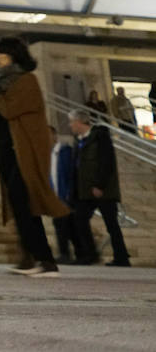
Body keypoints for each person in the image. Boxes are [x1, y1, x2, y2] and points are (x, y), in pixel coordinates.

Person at [0, 36, 70, 277]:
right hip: (8, 152)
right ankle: (31, 258)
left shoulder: (25, 81)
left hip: (27, 151)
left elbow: (10, 110)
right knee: (20, 204)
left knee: (23, 201)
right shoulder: (0, 83)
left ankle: (45, 260)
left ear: (11, 54)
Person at [68, 108, 131, 267]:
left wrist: (99, 185)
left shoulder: (100, 137)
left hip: (103, 191)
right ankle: (90, 254)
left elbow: (106, 162)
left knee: (111, 224)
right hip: (85, 191)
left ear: (80, 122)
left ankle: (121, 257)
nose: (70, 126)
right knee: (79, 219)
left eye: (72, 122)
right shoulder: (78, 141)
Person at [48, 126, 76, 264]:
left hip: (66, 196)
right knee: (59, 225)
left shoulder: (65, 152)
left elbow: (71, 174)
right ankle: (64, 253)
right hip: (55, 197)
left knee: (69, 225)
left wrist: (68, 194)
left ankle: (75, 253)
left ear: (54, 136)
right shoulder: (48, 154)